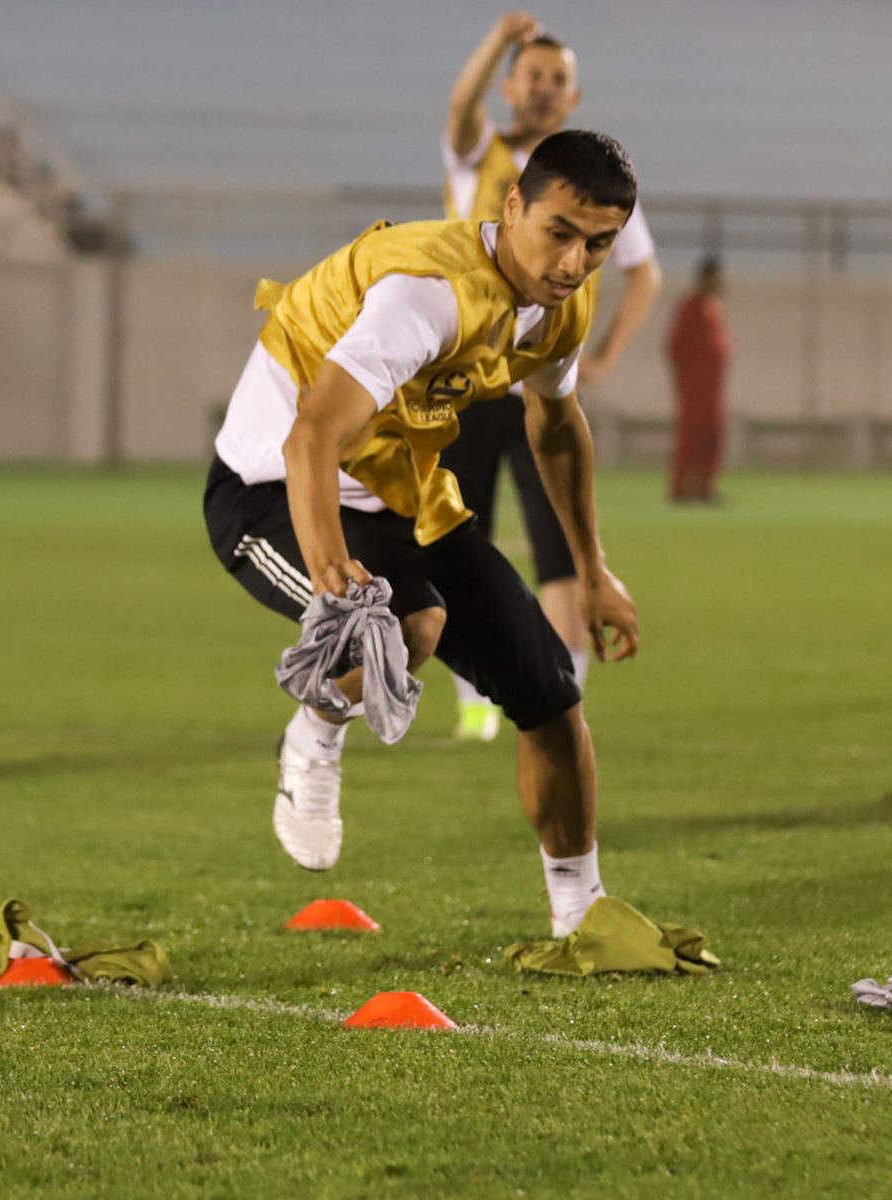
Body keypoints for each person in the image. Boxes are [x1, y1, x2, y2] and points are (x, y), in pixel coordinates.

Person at [204, 130, 641, 937]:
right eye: (560, 233)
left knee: (549, 690)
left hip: (401, 498)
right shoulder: (428, 292)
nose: (576, 263)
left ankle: (582, 916)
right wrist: (340, 584)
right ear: (513, 207)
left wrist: (592, 569)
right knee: (403, 624)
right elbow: (309, 438)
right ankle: (315, 730)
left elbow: (555, 425)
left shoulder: (560, 303)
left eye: (599, 244)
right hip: (271, 490)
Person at [439, 12, 663, 740]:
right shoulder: (483, 154)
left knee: (561, 554)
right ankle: (477, 703)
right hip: (466, 391)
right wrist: (502, 36)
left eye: (557, 80)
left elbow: (646, 275)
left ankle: (561, 699)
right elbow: (458, 108)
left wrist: (603, 355)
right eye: (531, 76)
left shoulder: (598, 181)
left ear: (574, 95)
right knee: (459, 543)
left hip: (538, 387)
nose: (542, 90)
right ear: (509, 85)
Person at [668, 257, 731, 504]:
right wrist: (687, 375)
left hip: (714, 388)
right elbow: (675, 346)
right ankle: (682, 487)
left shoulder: (715, 308)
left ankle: (705, 486)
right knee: (691, 435)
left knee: (713, 435)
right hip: (694, 386)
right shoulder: (691, 307)